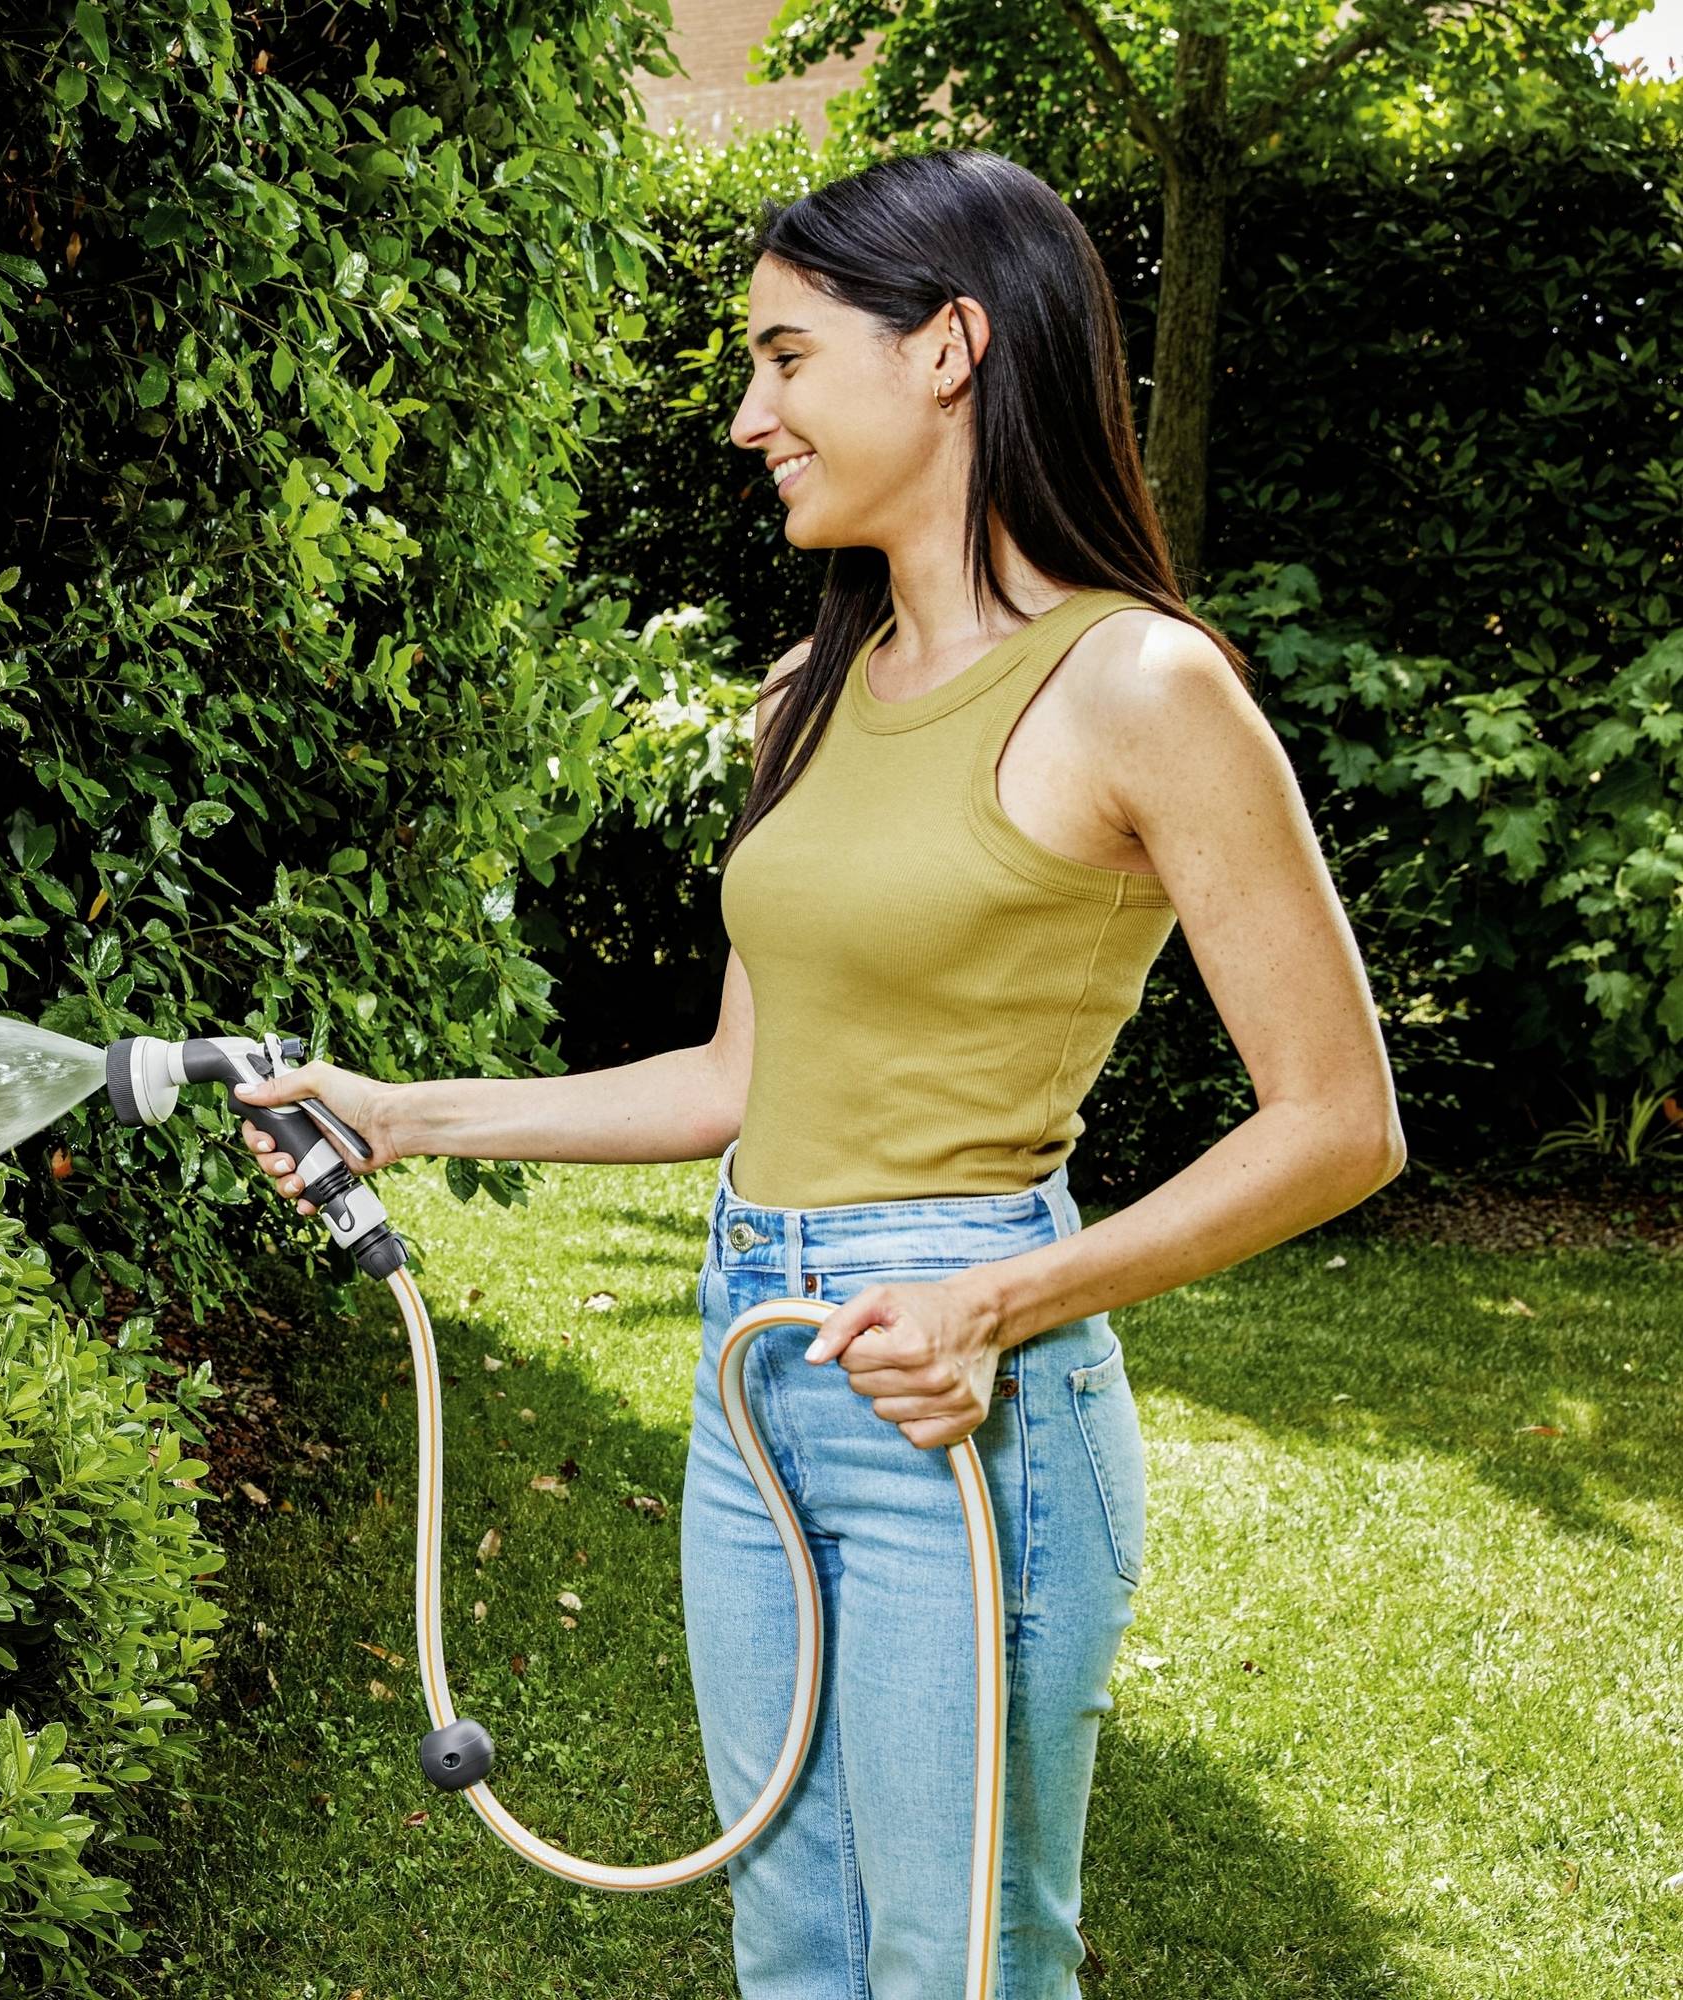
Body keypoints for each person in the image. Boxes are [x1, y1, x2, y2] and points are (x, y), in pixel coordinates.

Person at [227, 147, 1407, 2000]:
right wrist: (399, 1115)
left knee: (957, 1962)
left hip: (959, 1390)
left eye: (786, 359)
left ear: (947, 349)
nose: (746, 416)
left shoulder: (1139, 686)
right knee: (790, 1942)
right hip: (754, 1365)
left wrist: (996, 1303)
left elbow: (1340, 1122)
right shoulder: (809, 690)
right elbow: (734, 1078)